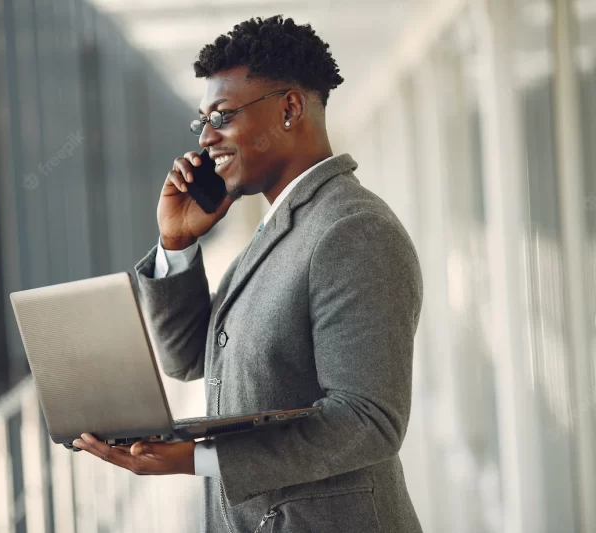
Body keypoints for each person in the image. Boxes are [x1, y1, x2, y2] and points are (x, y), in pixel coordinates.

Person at [72, 14, 424, 533]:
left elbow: (368, 420)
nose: (206, 137)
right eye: (202, 121)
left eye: (223, 114)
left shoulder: (353, 231)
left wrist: (200, 458)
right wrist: (177, 242)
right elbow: (189, 358)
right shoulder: (276, 228)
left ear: (289, 108)